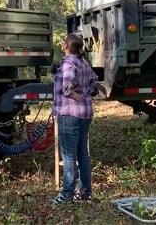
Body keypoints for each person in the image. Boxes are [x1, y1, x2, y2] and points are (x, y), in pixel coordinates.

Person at [52, 33, 98, 205]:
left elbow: (67, 88)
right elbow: (94, 83)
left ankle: (67, 195)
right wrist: (86, 95)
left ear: (65, 47)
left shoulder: (68, 64)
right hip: (85, 114)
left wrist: (75, 96)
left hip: (69, 113)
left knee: (69, 155)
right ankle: (86, 191)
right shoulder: (84, 63)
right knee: (82, 153)